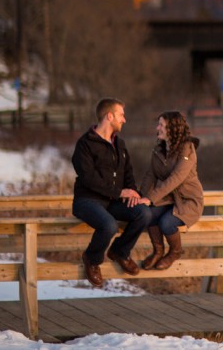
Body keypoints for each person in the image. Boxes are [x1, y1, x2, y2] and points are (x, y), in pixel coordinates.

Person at [71, 97, 150, 287]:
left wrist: (133, 193)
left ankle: (120, 252)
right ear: (109, 116)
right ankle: (92, 259)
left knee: (144, 214)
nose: (124, 119)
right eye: (121, 115)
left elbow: (128, 173)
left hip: (112, 201)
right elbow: (89, 179)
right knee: (109, 226)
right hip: (87, 200)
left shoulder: (120, 144)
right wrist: (119, 193)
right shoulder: (85, 145)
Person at [136, 110, 203, 271]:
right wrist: (140, 197)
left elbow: (176, 179)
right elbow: (150, 176)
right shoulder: (158, 151)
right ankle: (158, 251)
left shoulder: (187, 149)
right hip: (169, 199)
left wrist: (150, 198)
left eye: (161, 125)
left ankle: (175, 251)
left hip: (188, 201)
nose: (157, 128)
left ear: (172, 129)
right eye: (158, 124)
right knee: (148, 214)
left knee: (166, 223)